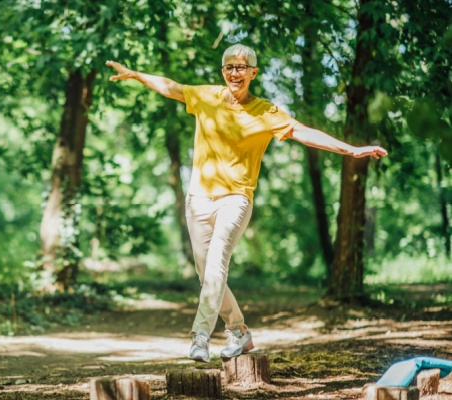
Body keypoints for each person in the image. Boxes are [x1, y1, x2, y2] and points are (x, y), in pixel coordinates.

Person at [106, 43, 388, 363]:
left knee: (216, 265)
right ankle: (239, 332)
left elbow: (303, 131)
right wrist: (136, 75)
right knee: (207, 274)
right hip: (197, 199)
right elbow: (171, 86)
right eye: (228, 67)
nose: (234, 73)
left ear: (253, 72)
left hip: (235, 199)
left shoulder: (266, 112)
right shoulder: (207, 96)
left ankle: (200, 336)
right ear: (222, 71)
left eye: (241, 67)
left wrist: (351, 151)